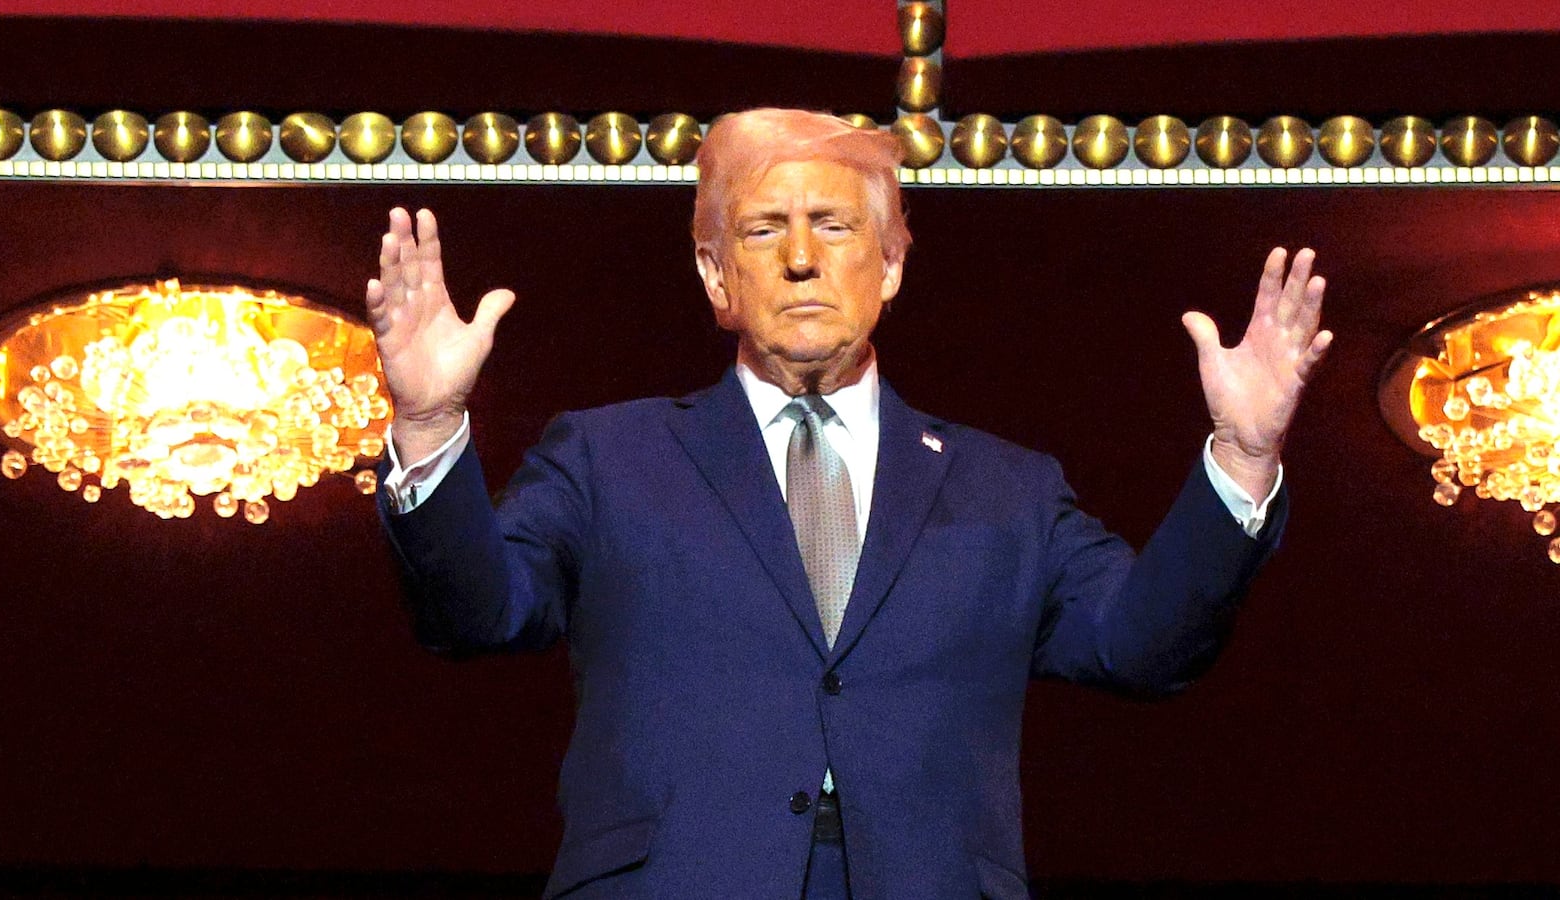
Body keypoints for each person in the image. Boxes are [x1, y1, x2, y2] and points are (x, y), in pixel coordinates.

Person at [365, 108, 1331, 900]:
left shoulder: (1009, 489)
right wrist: (429, 424)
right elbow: (475, 614)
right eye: (762, 230)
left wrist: (1244, 456)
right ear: (716, 277)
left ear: (893, 264)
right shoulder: (608, 456)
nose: (800, 258)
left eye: (833, 226)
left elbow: (1143, 647)